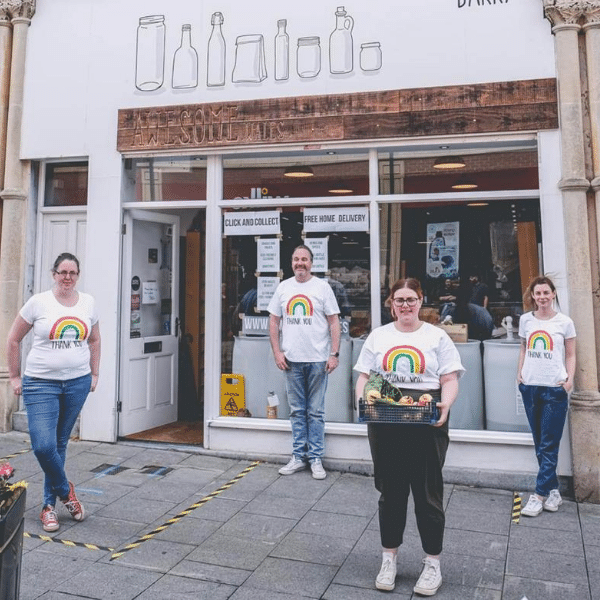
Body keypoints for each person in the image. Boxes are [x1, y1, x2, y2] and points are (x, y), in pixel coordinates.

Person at [355, 278, 464, 595]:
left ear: (421, 301)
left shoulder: (437, 336)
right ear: (391, 303)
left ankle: (432, 564)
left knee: (427, 492)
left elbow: (449, 378)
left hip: (425, 415)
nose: (405, 305)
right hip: (386, 416)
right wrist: (363, 401)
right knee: (390, 491)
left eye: (411, 299)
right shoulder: (379, 336)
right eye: (399, 300)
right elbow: (364, 376)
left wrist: (446, 403)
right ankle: (389, 559)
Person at [6, 253, 101, 532]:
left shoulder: (88, 303)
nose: (67, 277)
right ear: (53, 273)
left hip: (77, 382)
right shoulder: (39, 302)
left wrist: (95, 373)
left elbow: (94, 339)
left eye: (72, 272)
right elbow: (13, 338)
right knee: (43, 445)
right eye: (63, 272)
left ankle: (48, 508)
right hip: (40, 384)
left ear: (78, 275)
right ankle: (66, 492)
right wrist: (13, 376)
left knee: (59, 444)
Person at [268, 245, 341, 480]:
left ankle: (316, 458)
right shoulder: (283, 288)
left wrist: (334, 353)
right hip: (291, 361)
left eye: (305, 259)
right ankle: (299, 456)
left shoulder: (322, 287)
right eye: (296, 259)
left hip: (318, 360)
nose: (300, 263)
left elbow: (333, 322)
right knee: (297, 411)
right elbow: (273, 322)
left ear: (311, 263)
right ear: (291, 263)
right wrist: (277, 352)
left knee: (316, 412)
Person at [517, 275, 576, 517]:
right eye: (537, 293)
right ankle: (553, 491)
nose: (541, 297)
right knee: (540, 443)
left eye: (545, 293)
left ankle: (539, 494)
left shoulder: (564, 322)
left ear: (553, 295)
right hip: (530, 386)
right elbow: (523, 346)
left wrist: (569, 381)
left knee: (549, 445)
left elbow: (571, 354)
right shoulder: (526, 320)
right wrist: (519, 373)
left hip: (554, 388)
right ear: (533, 296)